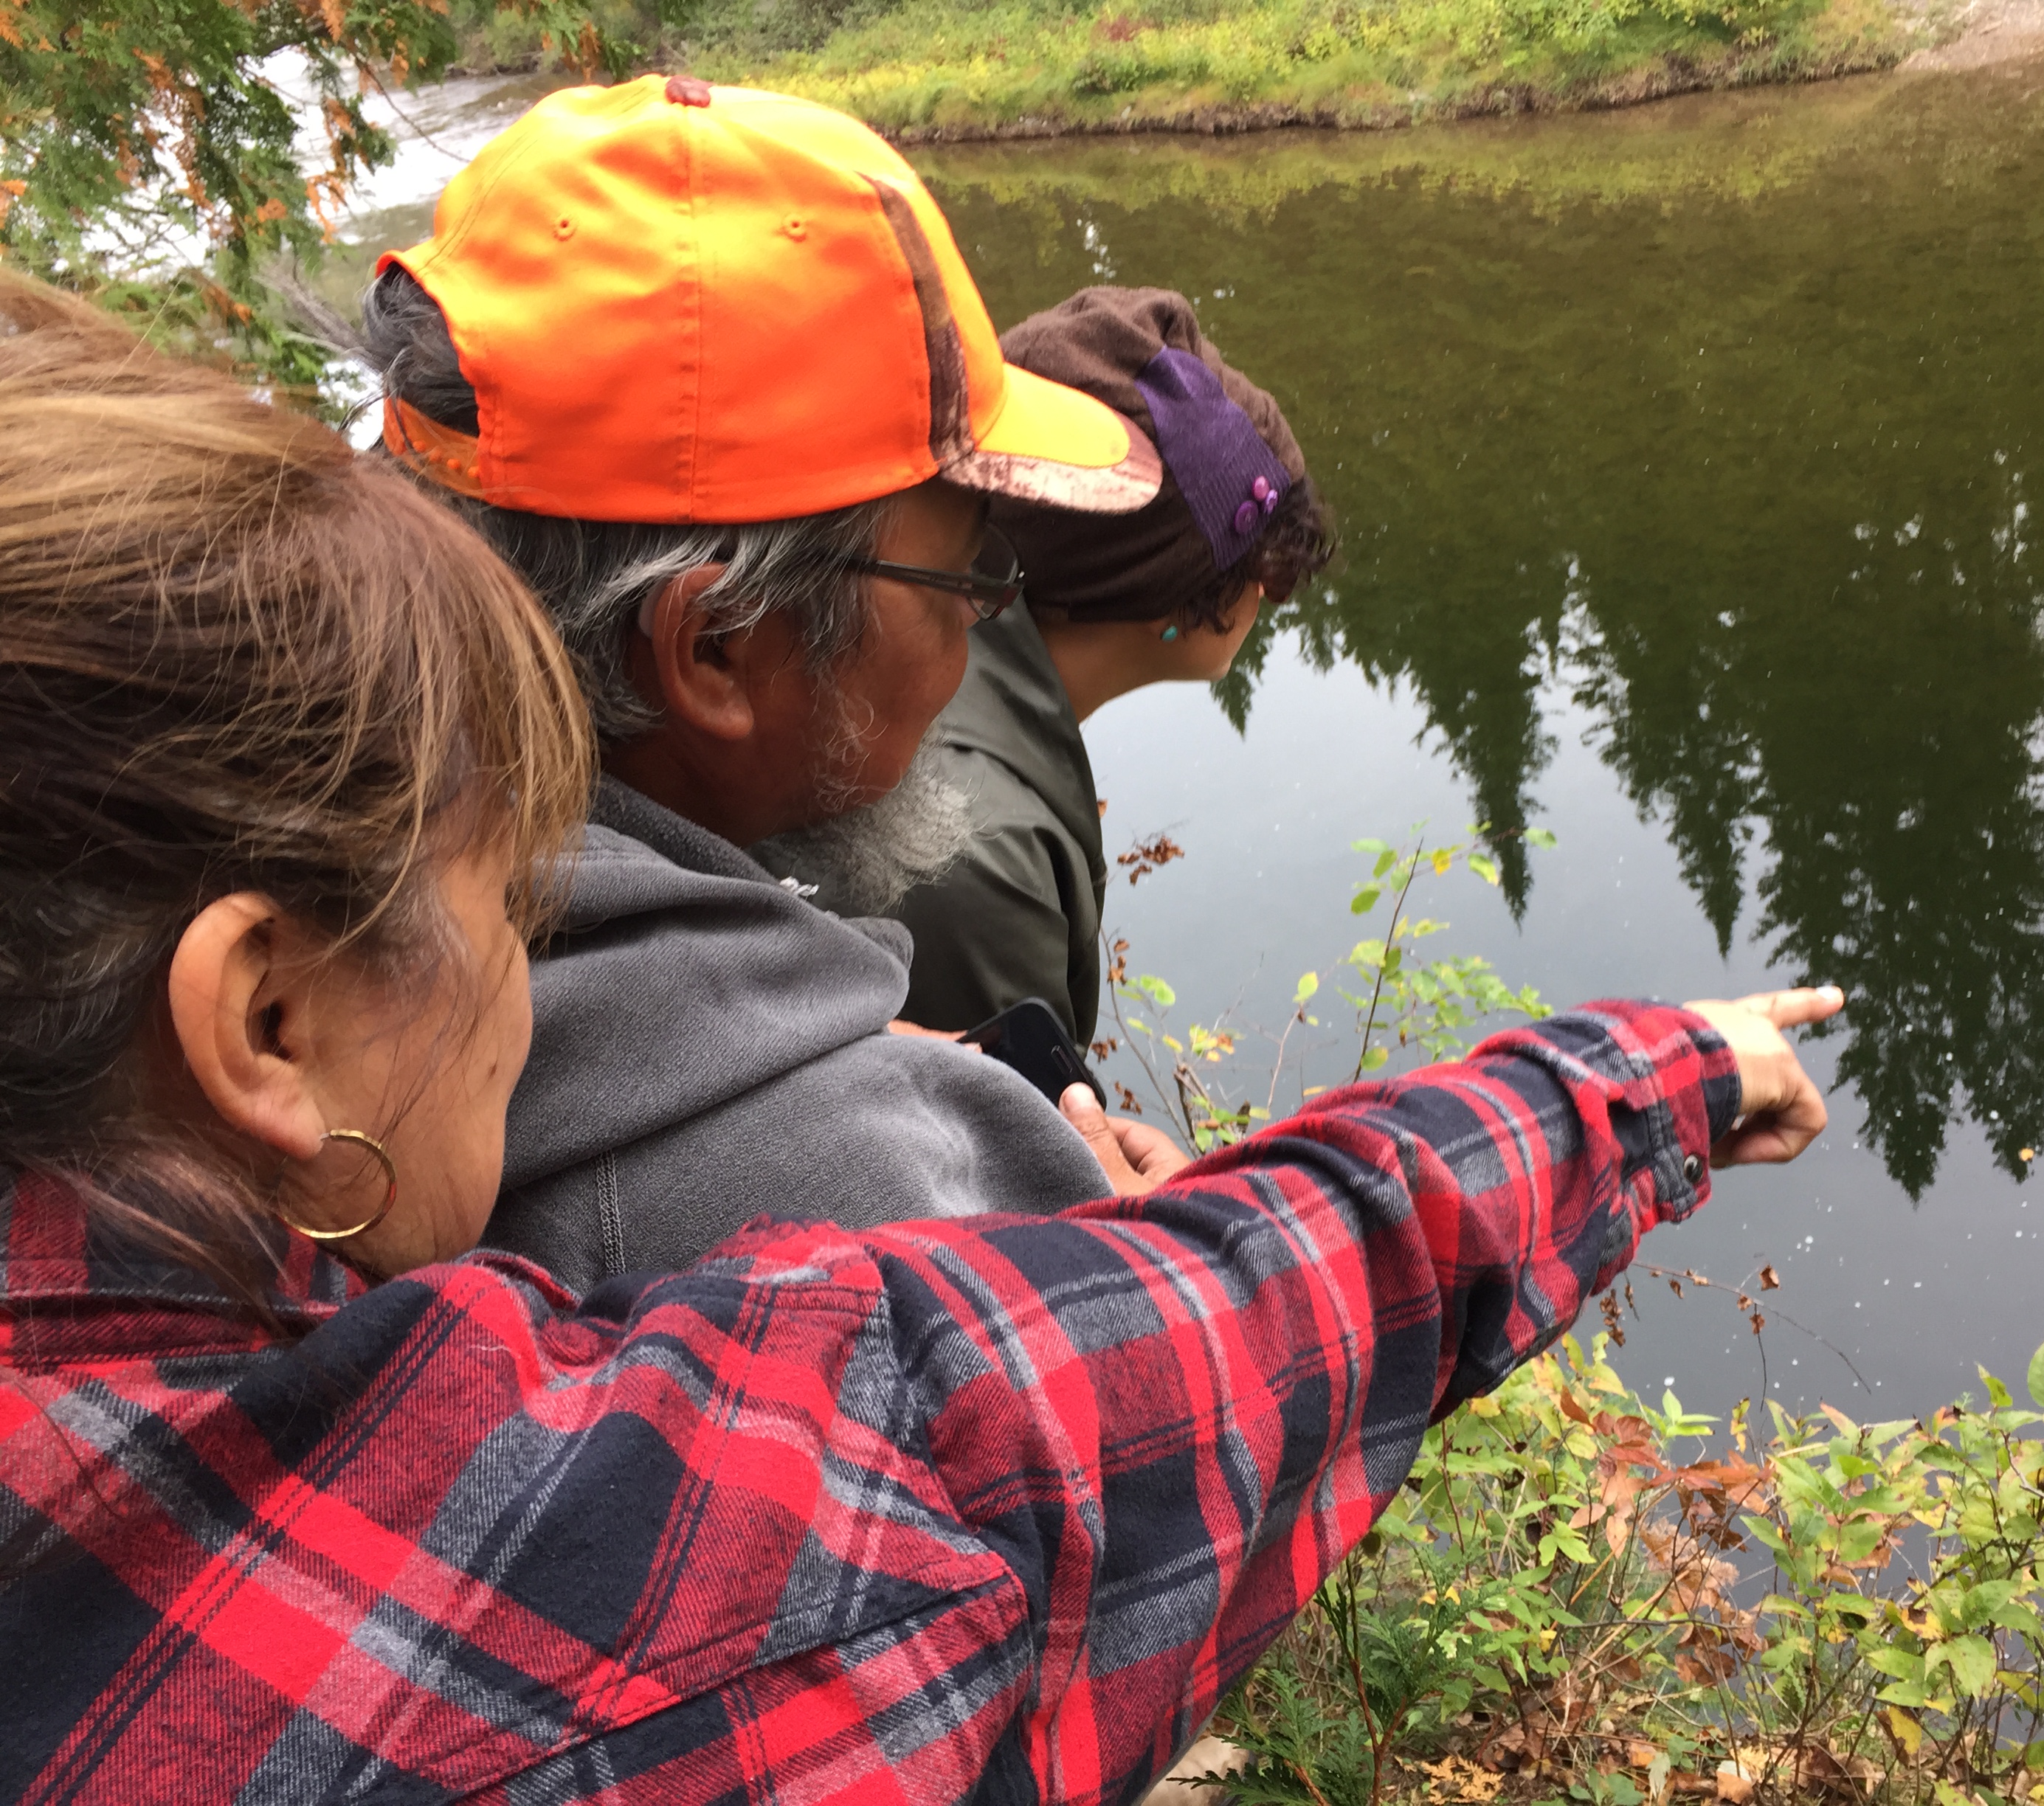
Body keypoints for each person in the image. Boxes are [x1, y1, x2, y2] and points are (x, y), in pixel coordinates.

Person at [0, 275, 1841, 1802]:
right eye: (511, 892)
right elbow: (1070, 1429)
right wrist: (1643, 1080)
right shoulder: (586, 1593)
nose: (542, 949)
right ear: (265, 1021)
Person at [362, 76, 1184, 1291]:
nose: (980, 628)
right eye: (966, 572)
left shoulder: (297, 884)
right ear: (714, 649)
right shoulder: (889, 1218)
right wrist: (1161, 1255)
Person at [764, 287, 1335, 1048]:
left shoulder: (934, 684)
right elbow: (1010, 1155)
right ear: (1162, 590)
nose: (1271, 592)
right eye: (1265, 562)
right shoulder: (978, 859)